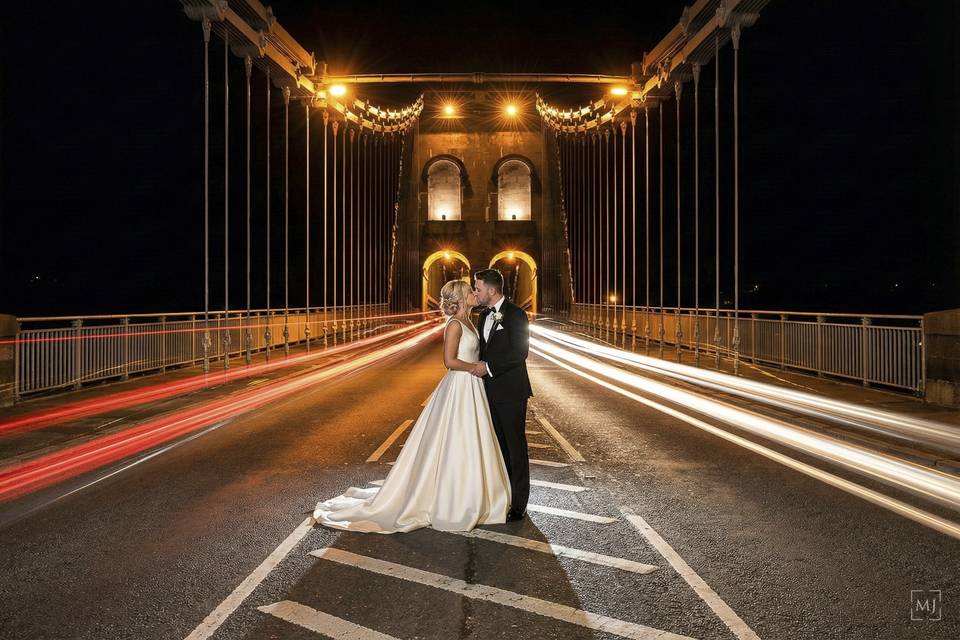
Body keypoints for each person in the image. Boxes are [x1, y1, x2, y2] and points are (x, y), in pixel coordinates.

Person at [311, 279, 511, 533]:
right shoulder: (455, 325)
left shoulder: (471, 320)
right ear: (460, 297)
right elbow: (449, 361)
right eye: (469, 291)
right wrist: (474, 367)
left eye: (475, 290)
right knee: (456, 440)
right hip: (460, 386)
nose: (474, 293)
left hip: (472, 388)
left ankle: (473, 496)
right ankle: (453, 500)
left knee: (472, 440)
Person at [471, 268, 533, 521]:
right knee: (498, 447)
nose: (475, 293)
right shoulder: (483, 315)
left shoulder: (516, 315)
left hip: (511, 391)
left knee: (515, 446)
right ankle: (503, 496)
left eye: (477, 288)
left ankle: (519, 504)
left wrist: (488, 367)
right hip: (488, 392)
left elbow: (520, 352)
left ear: (491, 289)